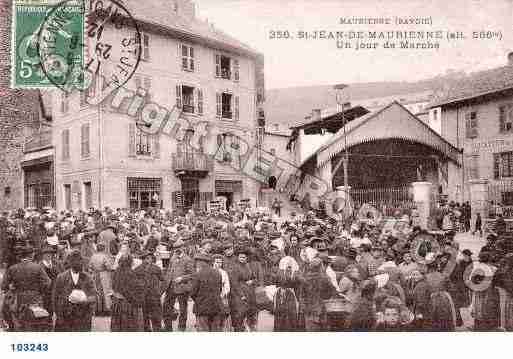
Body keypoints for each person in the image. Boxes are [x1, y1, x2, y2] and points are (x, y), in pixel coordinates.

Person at [1, 246, 51, 331]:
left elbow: (3, 286)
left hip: (19, 300)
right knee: (36, 324)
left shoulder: (13, 268)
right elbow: (48, 282)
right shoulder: (37, 267)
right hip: (35, 299)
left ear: (21, 256)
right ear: (31, 255)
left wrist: (12, 289)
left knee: (20, 325)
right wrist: (40, 292)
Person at [53, 250, 97, 331]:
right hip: (65, 318)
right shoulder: (61, 278)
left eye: (80, 261)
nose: (78, 263)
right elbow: (55, 298)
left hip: (83, 319)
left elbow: (94, 296)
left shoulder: (88, 278)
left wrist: (85, 301)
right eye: (75, 261)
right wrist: (59, 316)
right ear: (70, 263)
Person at [162, 245, 195, 331]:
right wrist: (167, 281)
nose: (176, 251)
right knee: (167, 306)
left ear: (183, 248)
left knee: (183, 309)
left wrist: (182, 278)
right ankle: (168, 327)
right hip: (171, 287)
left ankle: (181, 327)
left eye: (178, 249)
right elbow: (169, 270)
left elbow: (192, 275)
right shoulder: (173, 258)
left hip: (182, 288)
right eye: (175, 249)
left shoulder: (188, 260)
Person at [110, 254, 145, 331]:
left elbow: (114, 286)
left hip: (117, 302)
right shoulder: (129, 273)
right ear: (130, 262)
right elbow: (129, 290)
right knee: (128, 326)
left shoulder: (117, 271)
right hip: (127, 304)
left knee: (118, 326)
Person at [190, 253, 223, 331]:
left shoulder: (198, 274)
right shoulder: (218, 273)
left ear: (202, 262)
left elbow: (193, 293)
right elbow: (220, 289)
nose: (196, 264)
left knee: (203, 330)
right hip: (216, 307)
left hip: (202, 308)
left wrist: (199, 300)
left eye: (197, 262)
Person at [228, 247, 257, 331]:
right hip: (239, 294)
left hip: (250, 292)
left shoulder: (248, 266)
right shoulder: (235, 267)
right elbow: (234, 283)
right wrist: (241, 295)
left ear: (246, 258)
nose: (242, 259)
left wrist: (252, 281)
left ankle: (247, 328)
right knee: (239, 314)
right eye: (240, 257)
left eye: (243, 257)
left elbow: (255, 278)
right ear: (238, 257)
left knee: (249, 313)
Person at [135, 251, 164, 331]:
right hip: (148, 296)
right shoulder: (138, 270)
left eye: (150, 258)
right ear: (143, 259)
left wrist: (159, 292)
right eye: (147, 258)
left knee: (151, 315)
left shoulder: (155, 268)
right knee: (149, 315)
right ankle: (151, 329)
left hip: (150, 296)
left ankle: (154, 329)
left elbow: (162, 280)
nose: (149, 260)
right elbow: (162, 279)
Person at [88, 243, 114, 316]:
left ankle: (97, 309)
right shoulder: (104, 256)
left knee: (97, 292)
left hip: (95, 275)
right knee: (105, 292)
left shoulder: (93, 256)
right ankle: (106, 309)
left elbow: (89, 267)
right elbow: (108, 267)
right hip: (104, 274)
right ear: (103, 248)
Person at [212, 254, 230, 329]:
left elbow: (227, 285)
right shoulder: (210, 271)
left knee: (223, 314)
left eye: (220, 262)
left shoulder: (224, 273)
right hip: (211, 296)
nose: (218, 264)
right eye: (217, 262)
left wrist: (224, 293)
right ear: (213, 262)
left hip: (222, 295)